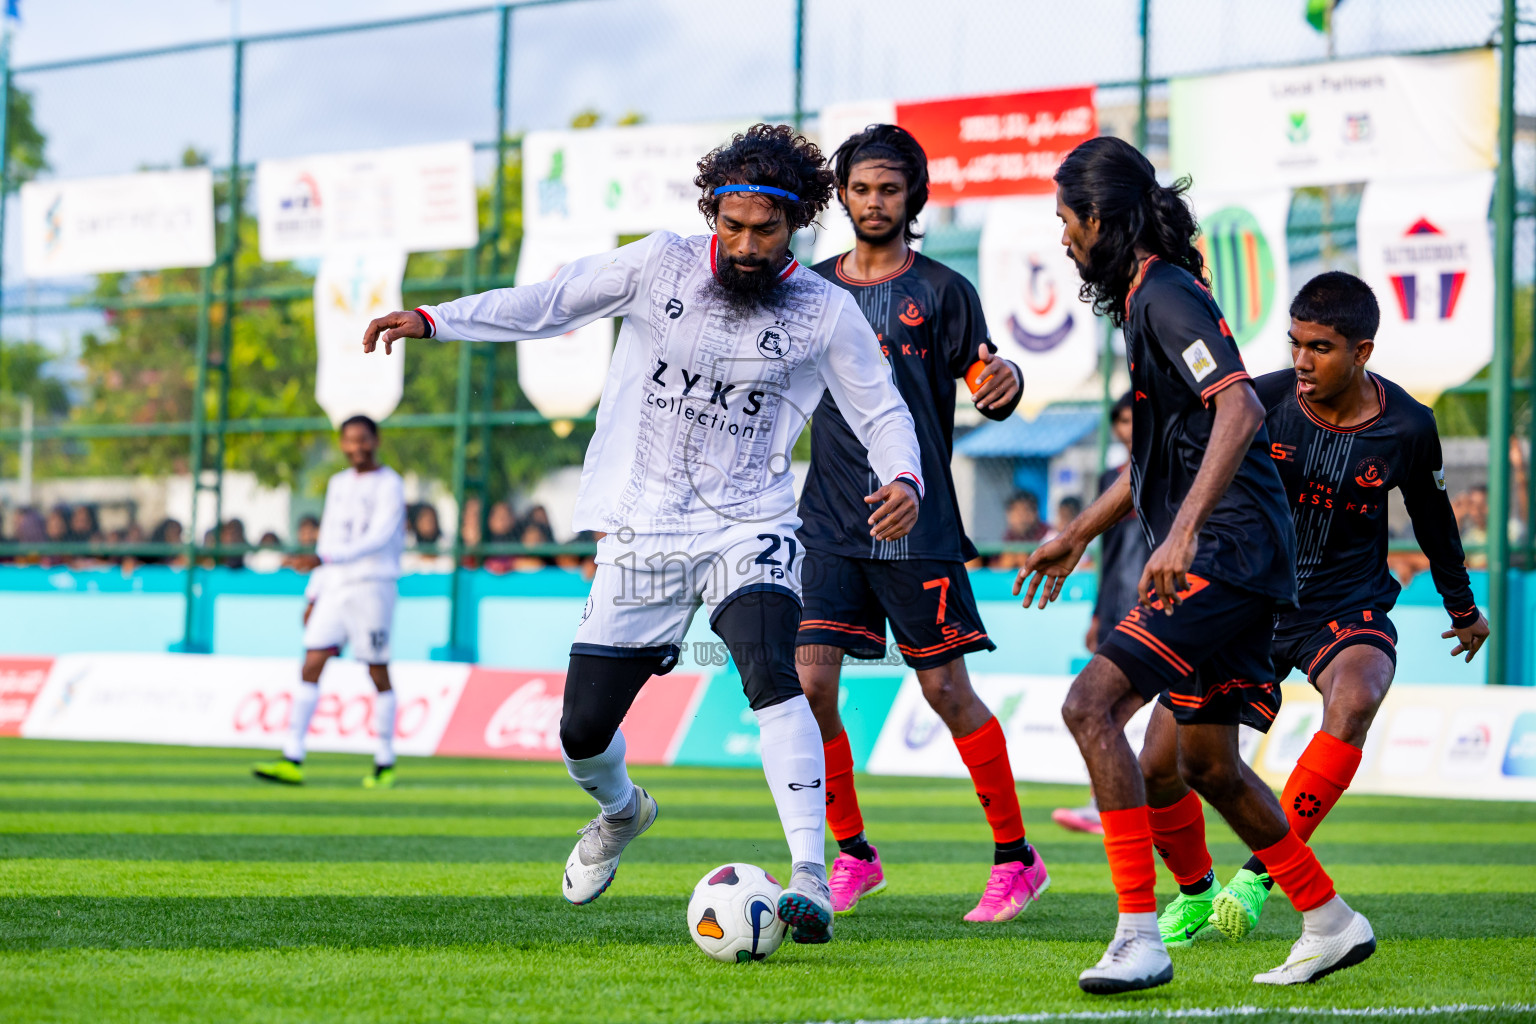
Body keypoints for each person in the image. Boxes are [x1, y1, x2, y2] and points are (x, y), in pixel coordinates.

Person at [362, 123, 924, 945]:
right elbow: (549, 302)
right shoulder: (656, 262)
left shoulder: (824, 311)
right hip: (641, 531)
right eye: (729, 226)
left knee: (775, 673)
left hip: (751, 522)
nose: (742, 244)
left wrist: (903, 477)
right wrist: (434, 319)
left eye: (763, 231)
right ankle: (623, 813)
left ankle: (811, 874)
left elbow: (882, 409)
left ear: (797, 222)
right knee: (582, 731)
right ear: (712, 215)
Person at [1018, 136, 1373, 993]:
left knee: (1089, 703)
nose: (1063, 238)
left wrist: (1181, 537)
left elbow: (1241, 406)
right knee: (1207, 763)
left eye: (1066, 220)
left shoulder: (1167, 296)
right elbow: (1154, 463)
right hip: (1241, 553)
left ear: (1100, 219)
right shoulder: (1152, 296)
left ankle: (1139, 934)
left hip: (1228, 553)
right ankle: (1329, 920)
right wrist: (1081, 532)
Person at [1139, 271, 1490, 949]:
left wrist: (1462, 606)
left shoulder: (1410, 426)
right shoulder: (1259, 401)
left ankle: (1262, 873)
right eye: (1296, 343)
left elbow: (1434, 518)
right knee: (1161, 763)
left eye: (1321, 348)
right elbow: (1179, 475)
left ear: (1363, 351)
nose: (1302, 361)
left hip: (1343, 604)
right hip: (1247, 600)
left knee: (1357, 697)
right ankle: (1192, 891)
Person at [792, 123, 1040, 923]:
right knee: (809, 684)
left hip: (914, 519)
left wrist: (1003, 379)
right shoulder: (808, 288)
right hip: (826, 518)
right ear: (843, 196)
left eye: (889, 189)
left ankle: (1016, 858)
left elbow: (985, 372)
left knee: (944, 689)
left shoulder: (941, 290)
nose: (874, 202)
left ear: (914, 198)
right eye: (861, 189)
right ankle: (854, 854)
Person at [253, 415, 407, 789]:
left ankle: (385, 761)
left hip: (372, 585)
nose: (357, 447)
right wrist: (314, 590)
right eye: (350, 440)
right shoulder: (338, 484)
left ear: (376, 440)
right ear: (341, 444)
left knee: (376, 670)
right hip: (334, 585)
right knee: (311, 662)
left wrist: (326, 560)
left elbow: (379, 537)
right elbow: (328, 541)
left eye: (363, 440)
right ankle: (292, 757)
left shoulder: (390, 484)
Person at [1055, 391, 1150, 838]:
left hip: (1160, 604)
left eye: (1137, 420)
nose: (1130, 429)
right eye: (1124, 422)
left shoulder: (1169, 474)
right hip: (1115, 603)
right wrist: (1097, 613)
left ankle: (1118, 802)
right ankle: (1107, 802)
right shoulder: (1112, 479)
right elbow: (1107, 552)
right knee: (1103, 708)